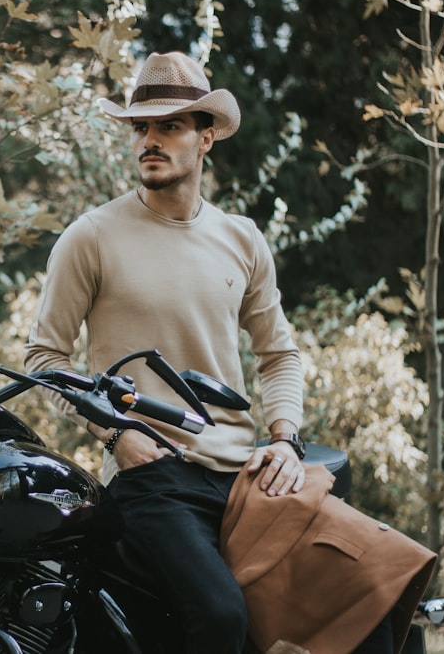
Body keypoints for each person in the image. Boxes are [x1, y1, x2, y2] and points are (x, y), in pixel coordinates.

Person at [23, 51, 310, 653]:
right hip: (152, 476)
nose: (149, 140)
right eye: (141, 127)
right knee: (220, 615)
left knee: (351, 588)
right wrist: (115, 436)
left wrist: (284, 438)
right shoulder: (91, 236)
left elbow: (279, 354)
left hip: (243, 475)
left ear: (206, 137)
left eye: (169, 126)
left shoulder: (242, 239)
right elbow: (45, 360)